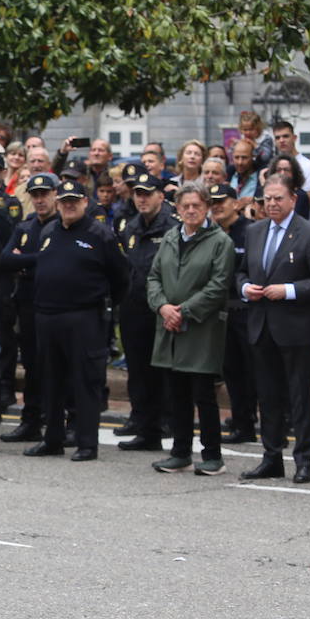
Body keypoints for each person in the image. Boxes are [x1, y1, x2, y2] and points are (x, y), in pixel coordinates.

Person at [237, 174, 310, 483]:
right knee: (267, 397)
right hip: (261, 325)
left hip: (295, 328)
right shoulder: (253, 232)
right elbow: (239, 273)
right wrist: (245, 288)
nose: (272, 204)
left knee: (299, 397)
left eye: (279, 198)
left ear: (293, 199)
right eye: (267, 198)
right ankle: (271, 457)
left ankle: (303, 460)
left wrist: (289, 290)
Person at [24, 180, 130, 462]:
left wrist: (100, 304)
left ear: (85, 202)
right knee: (51, 381)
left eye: (75, 200)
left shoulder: (100, 234)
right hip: (47, 317)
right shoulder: (48, 231)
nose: (69, 205)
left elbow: (121, 278)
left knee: (85, 383)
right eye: (64, 200)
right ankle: (53, 439)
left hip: (84, 318)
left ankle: (86, 443)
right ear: (58, 203)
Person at [146, 184, 236, 475]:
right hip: (169, 326)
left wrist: (183, 311)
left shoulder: (220, 241)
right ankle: (180, 452)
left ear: (207, 206)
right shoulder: (171, 237)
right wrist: (162, 307)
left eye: (197, 205)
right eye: (185, 206)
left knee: (203, 395)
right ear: (177, 208)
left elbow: (218, 286)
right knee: (177, 394)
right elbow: (154, 277)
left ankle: (212, 456)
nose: (191, 210)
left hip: (201, 329)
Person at [113, 173, 176, 451]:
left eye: (148, 193)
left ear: (161, 196)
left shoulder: (173, 226)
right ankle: (143, 423)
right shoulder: (130, 226)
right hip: (133, 308)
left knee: (163, 369)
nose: (142, 198)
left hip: (161, 309)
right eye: (138, 193)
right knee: (137, 370)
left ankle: (166, 420)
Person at [0, 172, 60, 442]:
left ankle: (60, 421)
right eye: (35, 195)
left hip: (56, 305)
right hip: (28, 305)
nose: (40, 199)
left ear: (55, 194)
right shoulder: (26, 227)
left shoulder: (63, 225)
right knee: (33, 366)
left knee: (57, 366)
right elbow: (6, 259)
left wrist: (28, 261)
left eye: (45, 194)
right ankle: (31, 421)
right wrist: (40, 259)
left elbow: (59, 261)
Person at [208, 183, 258, 444]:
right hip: (221, 311)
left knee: (251, 371)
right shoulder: (212, 233)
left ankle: (253, 422)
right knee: (231, 370)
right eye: (213, 201)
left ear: (236, 203)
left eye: (222, 201)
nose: (217, 206)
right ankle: (241, 421)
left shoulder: (249, 232)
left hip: (245, 310)